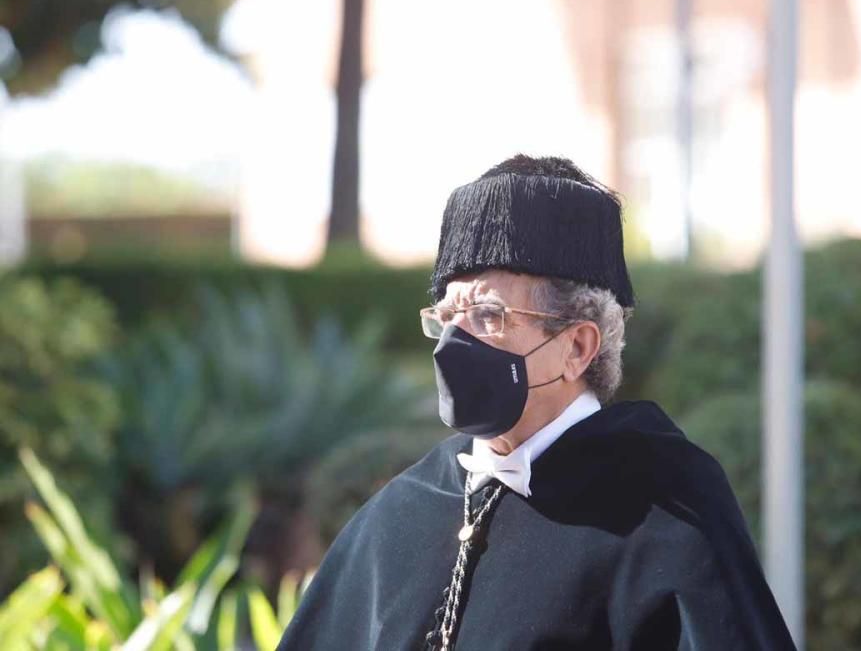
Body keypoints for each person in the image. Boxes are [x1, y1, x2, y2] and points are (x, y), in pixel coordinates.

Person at [277, 155, 796, 650]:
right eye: (446, 317)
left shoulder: (665, 512)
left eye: (486, 315)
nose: (453, 343)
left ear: (576, 347)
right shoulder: (402, 511)